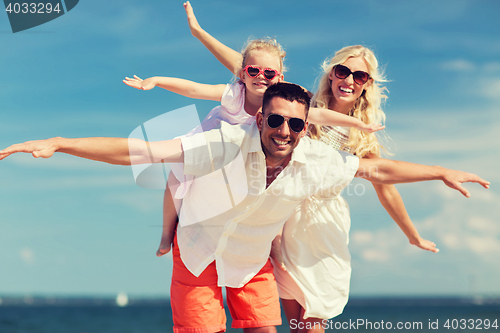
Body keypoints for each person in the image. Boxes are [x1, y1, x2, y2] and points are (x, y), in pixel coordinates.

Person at [0, 82, 490, 333]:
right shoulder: (225, 141)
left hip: (251, 261)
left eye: (295, 125)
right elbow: (144, 152)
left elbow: (378, 171)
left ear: (305, 127)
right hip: (197, 254)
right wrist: (61, 143)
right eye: (275, 120)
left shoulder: (317, 159)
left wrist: (440, 171)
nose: (284, 132)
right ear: (260, 117)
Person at [181, 3, 441, 331]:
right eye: (342, 71)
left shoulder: (365, 138)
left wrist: (412, 234)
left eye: (359, 75)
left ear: (367, 84)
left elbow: (385, 185)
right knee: (295, 320)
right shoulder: (303, 106)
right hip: (281, 216)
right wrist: (200, 34)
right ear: (331, 73)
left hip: (323, 224)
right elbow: (254, 70)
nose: (348, 80)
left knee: (314, 316)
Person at [123, 36, 383, 257]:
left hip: (245, 152)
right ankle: (167, 233)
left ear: (278, 77)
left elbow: (320, 116)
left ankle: (270, 247)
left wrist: (358, 125)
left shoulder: (280, 100)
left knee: (269, 191)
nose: (261, 77)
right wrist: (156, 80)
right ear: (242, 74)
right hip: (214, 140)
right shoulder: (233, 93)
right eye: (253, 71)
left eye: (269, 73)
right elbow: (193, 89)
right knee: (177, 178)